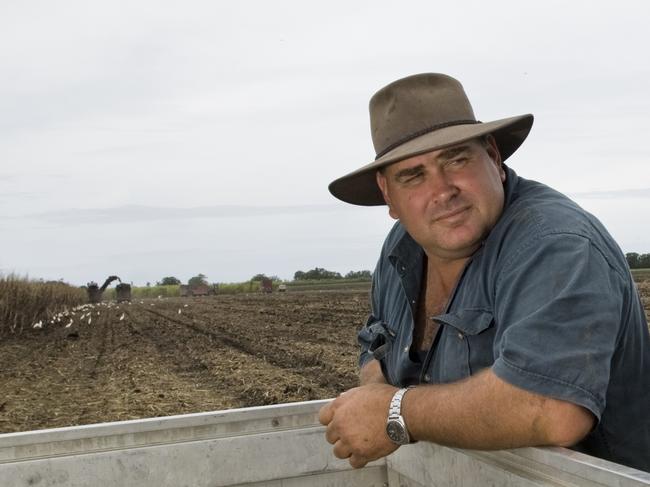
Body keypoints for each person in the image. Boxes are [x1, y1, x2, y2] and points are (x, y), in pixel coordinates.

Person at [318, 73, 650, 472]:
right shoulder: (403, 246)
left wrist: (394, 412)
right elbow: (376, 342)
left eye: (456, 159)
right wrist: (374, 388)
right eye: (413, 175)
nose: (442, 191)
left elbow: (551, 408)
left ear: (493, 156)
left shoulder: (555, 243)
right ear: (389, 195)